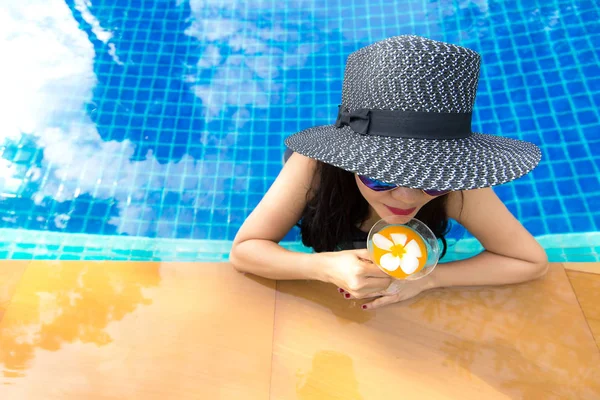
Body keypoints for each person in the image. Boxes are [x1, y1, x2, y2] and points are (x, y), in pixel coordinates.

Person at [229, 35, 549, 310]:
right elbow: (245, 250)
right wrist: (321, 266)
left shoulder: (457, 179)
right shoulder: (314, 167)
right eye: (382, 176)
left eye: (430, 179)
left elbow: (529, 261)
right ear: (352, 160)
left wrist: (429, 280)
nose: (407, 197)